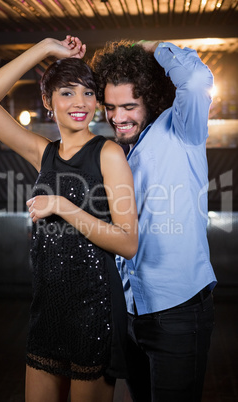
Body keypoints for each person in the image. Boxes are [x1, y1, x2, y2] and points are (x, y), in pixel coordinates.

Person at [0, 36, 138, 402]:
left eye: (88, 93)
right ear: (48, 102)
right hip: (47, 310)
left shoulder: (108, 154)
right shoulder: (42, 154)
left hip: (95, 311)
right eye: (67, 93)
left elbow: (128, 242)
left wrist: (62, 205)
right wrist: (45, 48)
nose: (80, 103)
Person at [90, 39, 217, 401]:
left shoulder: (182, 128)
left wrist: (152, 47)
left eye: (129, 105)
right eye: (111, 107)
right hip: (131, 315)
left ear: (151, 97)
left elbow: (193, 81)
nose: (118, 117)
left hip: (178, 314)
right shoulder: (118, 154)